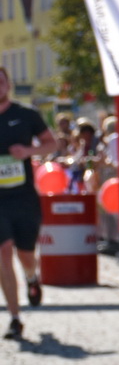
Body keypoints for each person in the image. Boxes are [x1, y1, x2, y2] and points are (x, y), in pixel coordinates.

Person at [0, 67, 56, 340]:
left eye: (1, 82)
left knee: (25, 253)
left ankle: (32, 278)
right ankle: (14, 317)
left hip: (23, 198)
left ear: (8, 84)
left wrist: (28, 151)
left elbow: (51, 143)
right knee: (3, 252)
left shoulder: (26, 116)